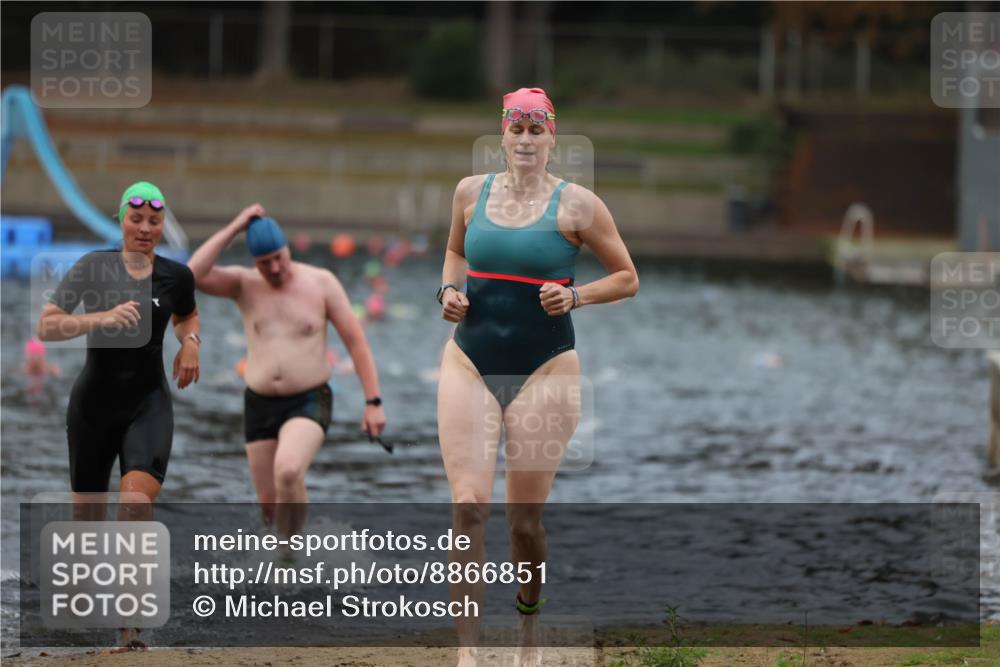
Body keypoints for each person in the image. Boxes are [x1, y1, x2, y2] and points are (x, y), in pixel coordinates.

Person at [436, 87, 639, 666]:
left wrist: (576, 296)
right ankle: (468, 653)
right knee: (468, 506)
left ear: (553, 138)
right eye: (516, 129)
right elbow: (455, 253)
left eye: (536, 130)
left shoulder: (578, 205)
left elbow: (627, 277)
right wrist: (448, 290)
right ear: (502, 135)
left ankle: (529, 626)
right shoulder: (469, 192)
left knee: (523, 523)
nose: (525, 140)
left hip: (546, 369)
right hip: (469, 360)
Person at [36, 181, 200, 650]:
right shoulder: (93, 268)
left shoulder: (176, 276)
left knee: (135, 504)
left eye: (154, 221)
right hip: (92, 408)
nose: (145, 228)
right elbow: (47, 325)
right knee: (86, 527)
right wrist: (100, 319)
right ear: (121, 220)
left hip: (148, 405)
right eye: (136, 219)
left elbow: (187, 315)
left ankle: (130, 628)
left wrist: (191, 342)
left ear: (162, 225)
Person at [188, 206, 386, 542]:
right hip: (259, 403)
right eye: (265, 263)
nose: (275, 268)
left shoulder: (321, 283)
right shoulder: (243, 284)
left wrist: (373, 402)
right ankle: (292, 549)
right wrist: (235, 226)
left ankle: (290, 555)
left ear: (288, 248)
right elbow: (191, 274)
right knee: (269, 507)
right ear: (254, 262)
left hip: (309, 398)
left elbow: (356, 343)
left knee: (289, 470)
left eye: (279, 258)